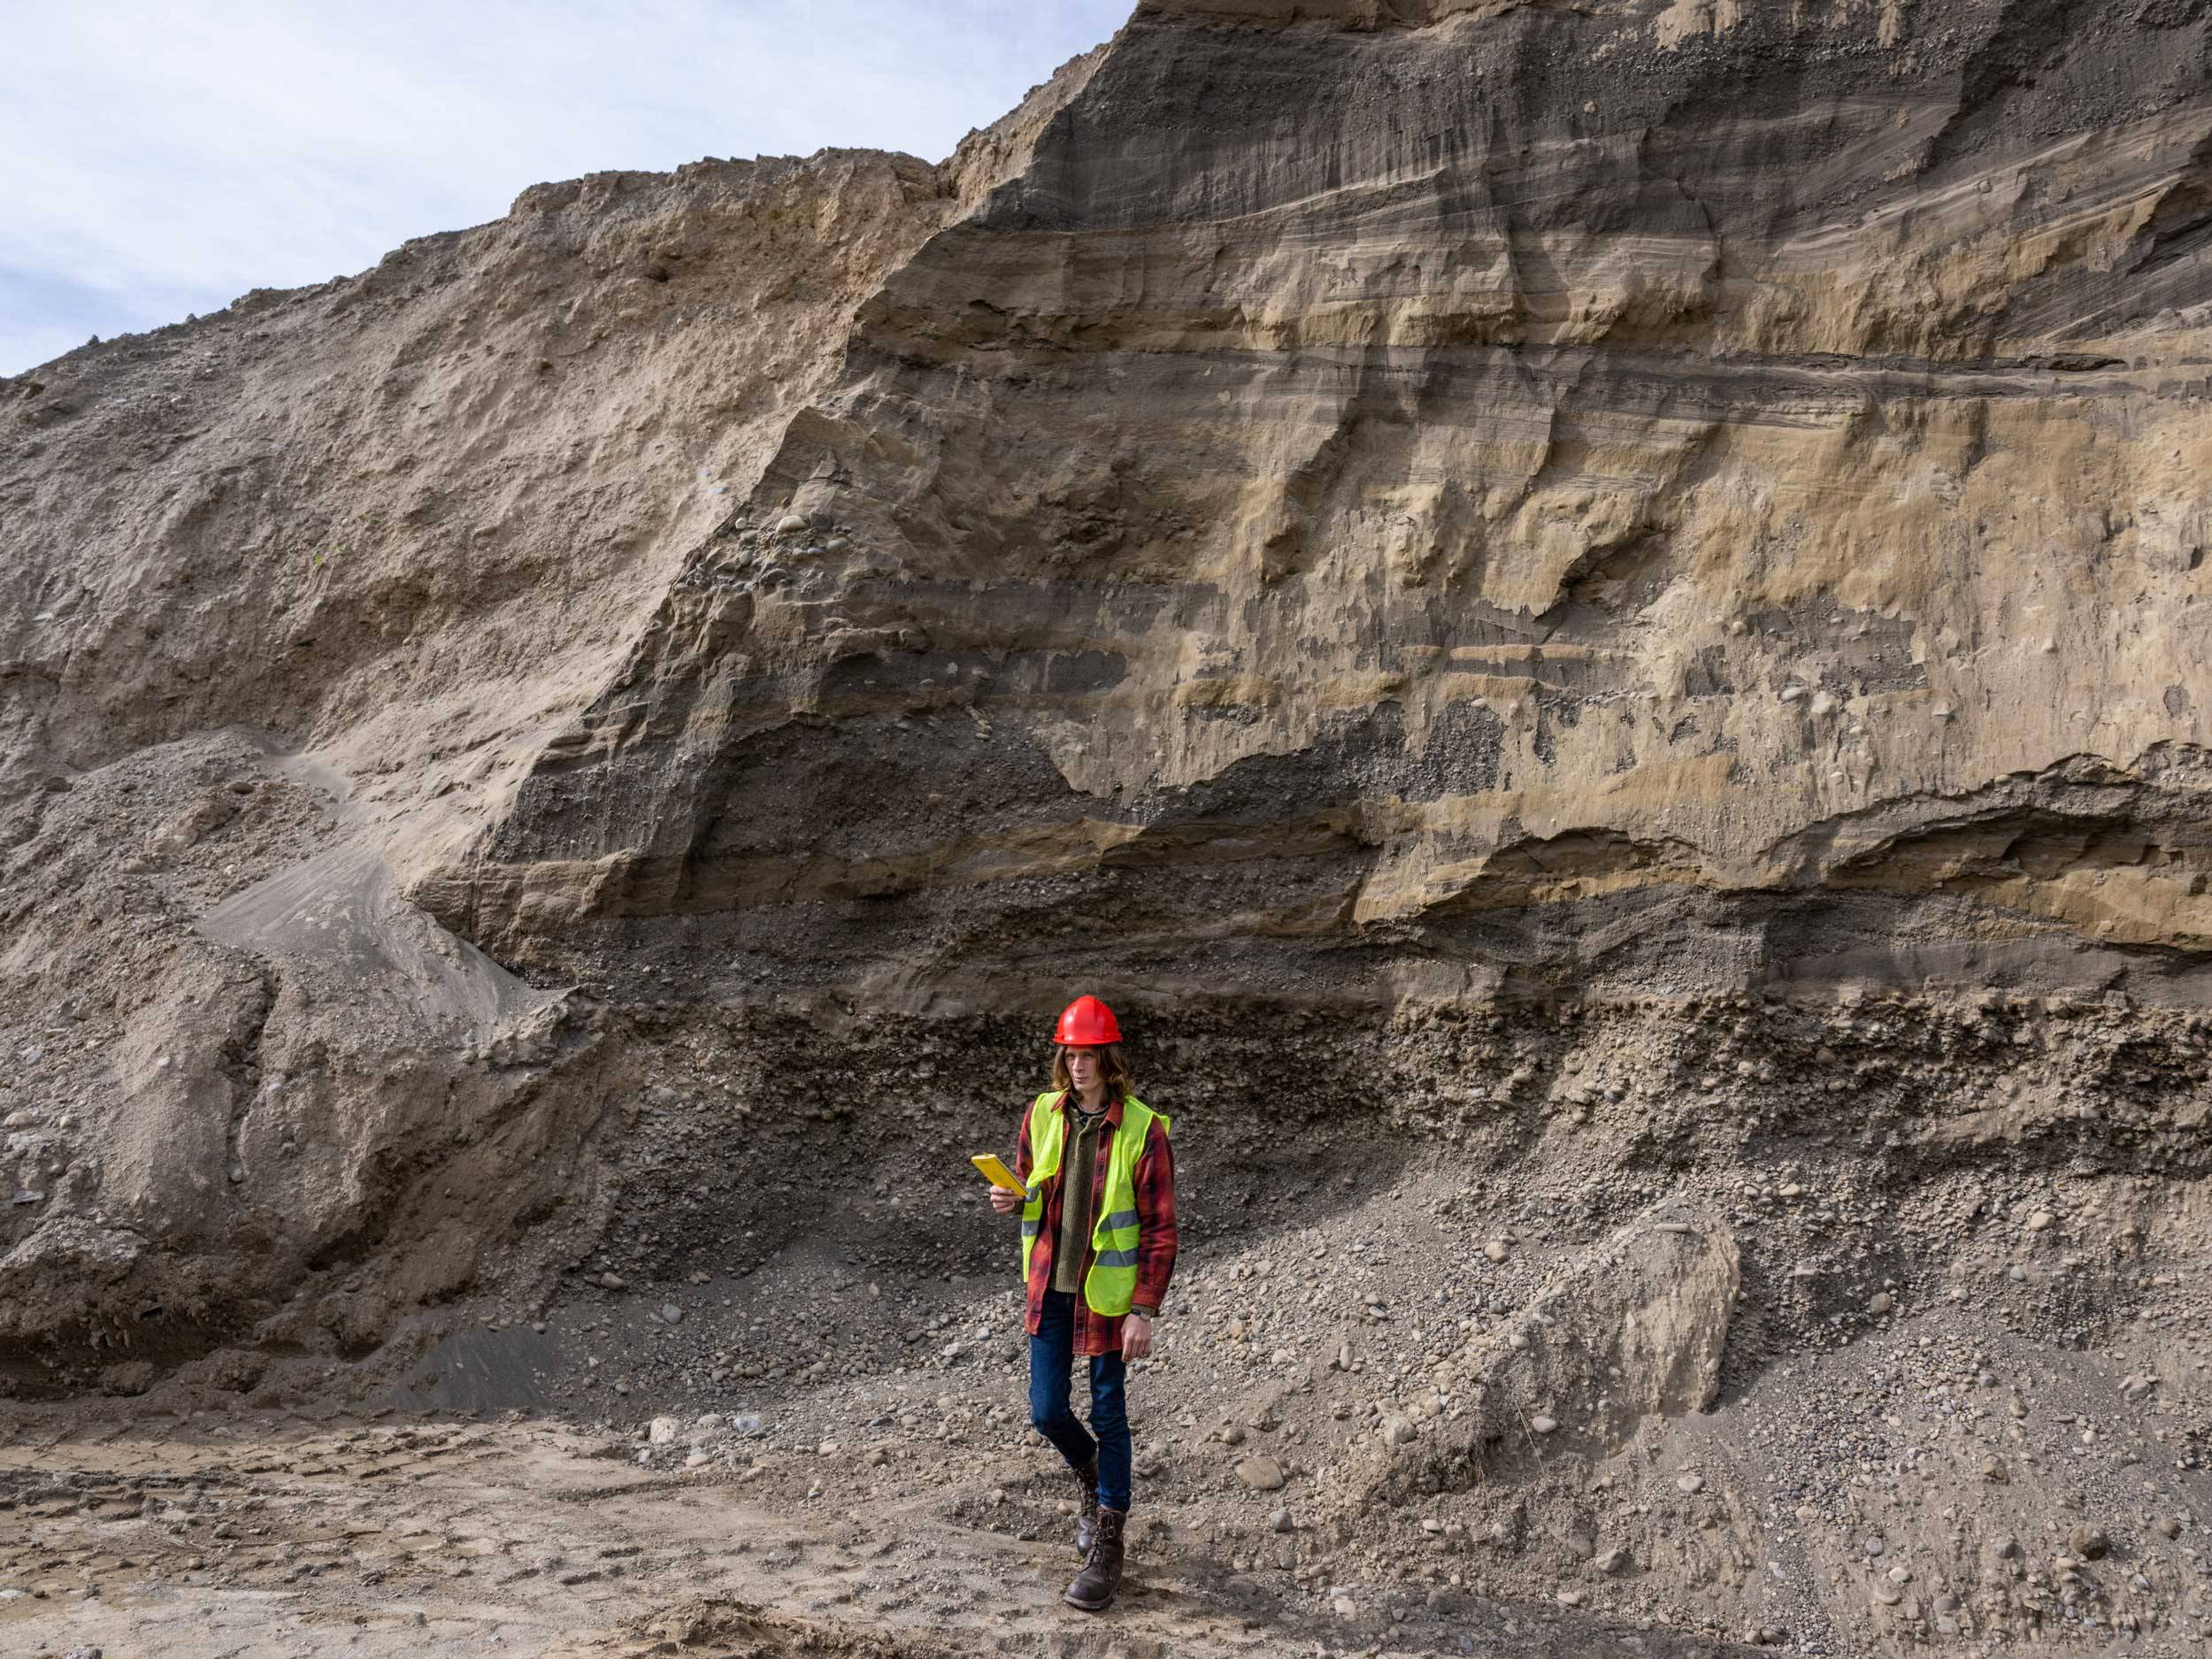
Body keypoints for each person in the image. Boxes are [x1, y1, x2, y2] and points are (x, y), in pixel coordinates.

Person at [987, 994, 1177, 1613]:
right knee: (1045, 1411)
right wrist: (1011, 1200)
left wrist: (1144, 1308)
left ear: (1108, 1057)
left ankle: (1109, 1539)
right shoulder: (1042, 1114)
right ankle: (1093, 1476)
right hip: (1051, 1287)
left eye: (1087, 1052)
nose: (1076, 1063)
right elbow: (1026, 1187)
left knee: (1109, 1413)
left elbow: (1160, 1228)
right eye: (1069, 1052)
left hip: (1110, 1299)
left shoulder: (1144, 1129)